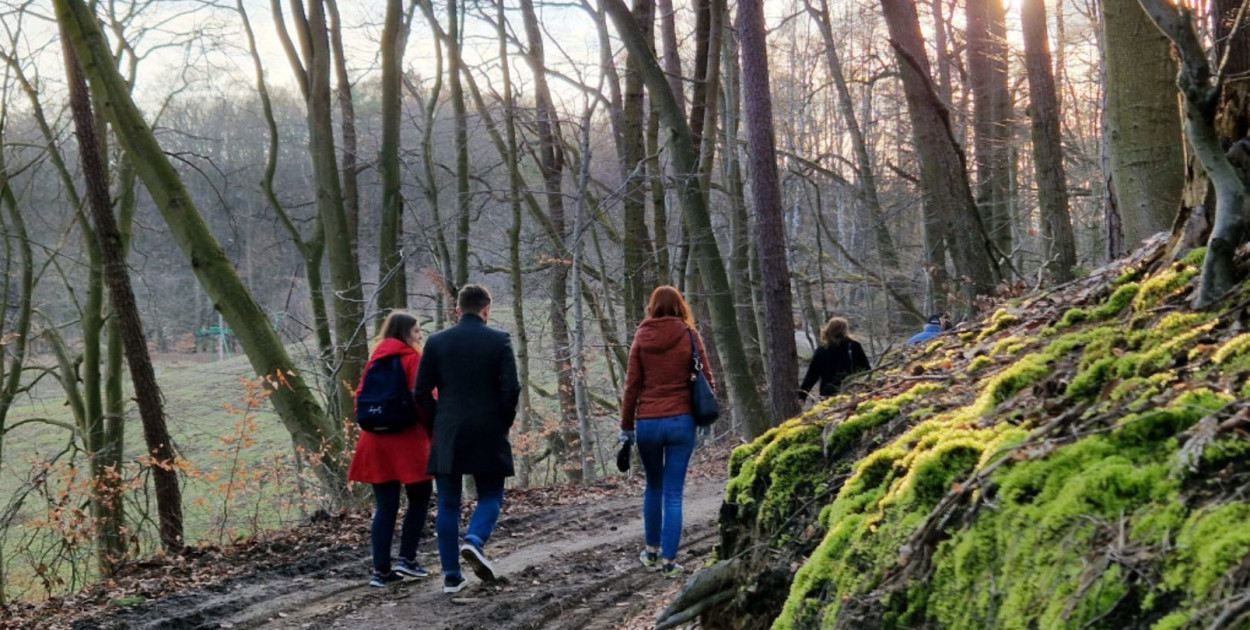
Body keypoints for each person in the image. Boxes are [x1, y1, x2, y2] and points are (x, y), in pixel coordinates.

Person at [414, 285, 520, 594]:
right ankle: (474, 540)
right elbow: (511, 389)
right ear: (487, 309)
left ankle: (451, 576)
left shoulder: (436, 342)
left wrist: (437, 423)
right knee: (491, 494)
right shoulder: (500, 340)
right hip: (488, 428)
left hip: (448, 430)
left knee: (448, 502)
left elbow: (420, 392)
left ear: (458, 310)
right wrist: (503, 422)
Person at [619, 285, 716, 580]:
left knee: (653, 487)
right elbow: (708, 377)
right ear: (680, 306)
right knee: (673, 493)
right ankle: (669, 562)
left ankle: (650, 551)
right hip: (680, 421)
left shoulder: (641, 337)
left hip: (648, 423)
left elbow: (632, 386)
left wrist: (626, 426)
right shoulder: (689, 335)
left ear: (652, 307)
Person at [347, 311, 434, 588]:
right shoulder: (412, 358)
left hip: (375, 441)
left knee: (385, 506)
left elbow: (360, 398)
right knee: (419, 499)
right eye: (417, 331)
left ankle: (381, 571)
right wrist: (433, 428)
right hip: (408, 441)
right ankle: (407, 558)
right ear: (405, 333)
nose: (420, 336)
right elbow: (423, 398)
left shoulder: (375, 360)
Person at [797, 317, 871, 402]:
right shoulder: (854, 346)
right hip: (851, 392)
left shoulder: (822, 350)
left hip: (828, 395)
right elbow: (866, 369)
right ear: (845, 330)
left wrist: (802, 396)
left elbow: (812, 375)